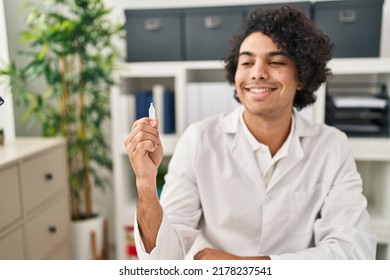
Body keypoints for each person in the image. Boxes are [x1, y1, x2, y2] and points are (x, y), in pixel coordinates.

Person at [124, 6, 377, 260]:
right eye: (246, 62)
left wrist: (242, 266)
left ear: (301, 76)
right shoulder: (199, 140)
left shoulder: (331, 146)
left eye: (275, 61)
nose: (257, 73)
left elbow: (354, 251)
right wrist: (145, 183)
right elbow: (164, 259)